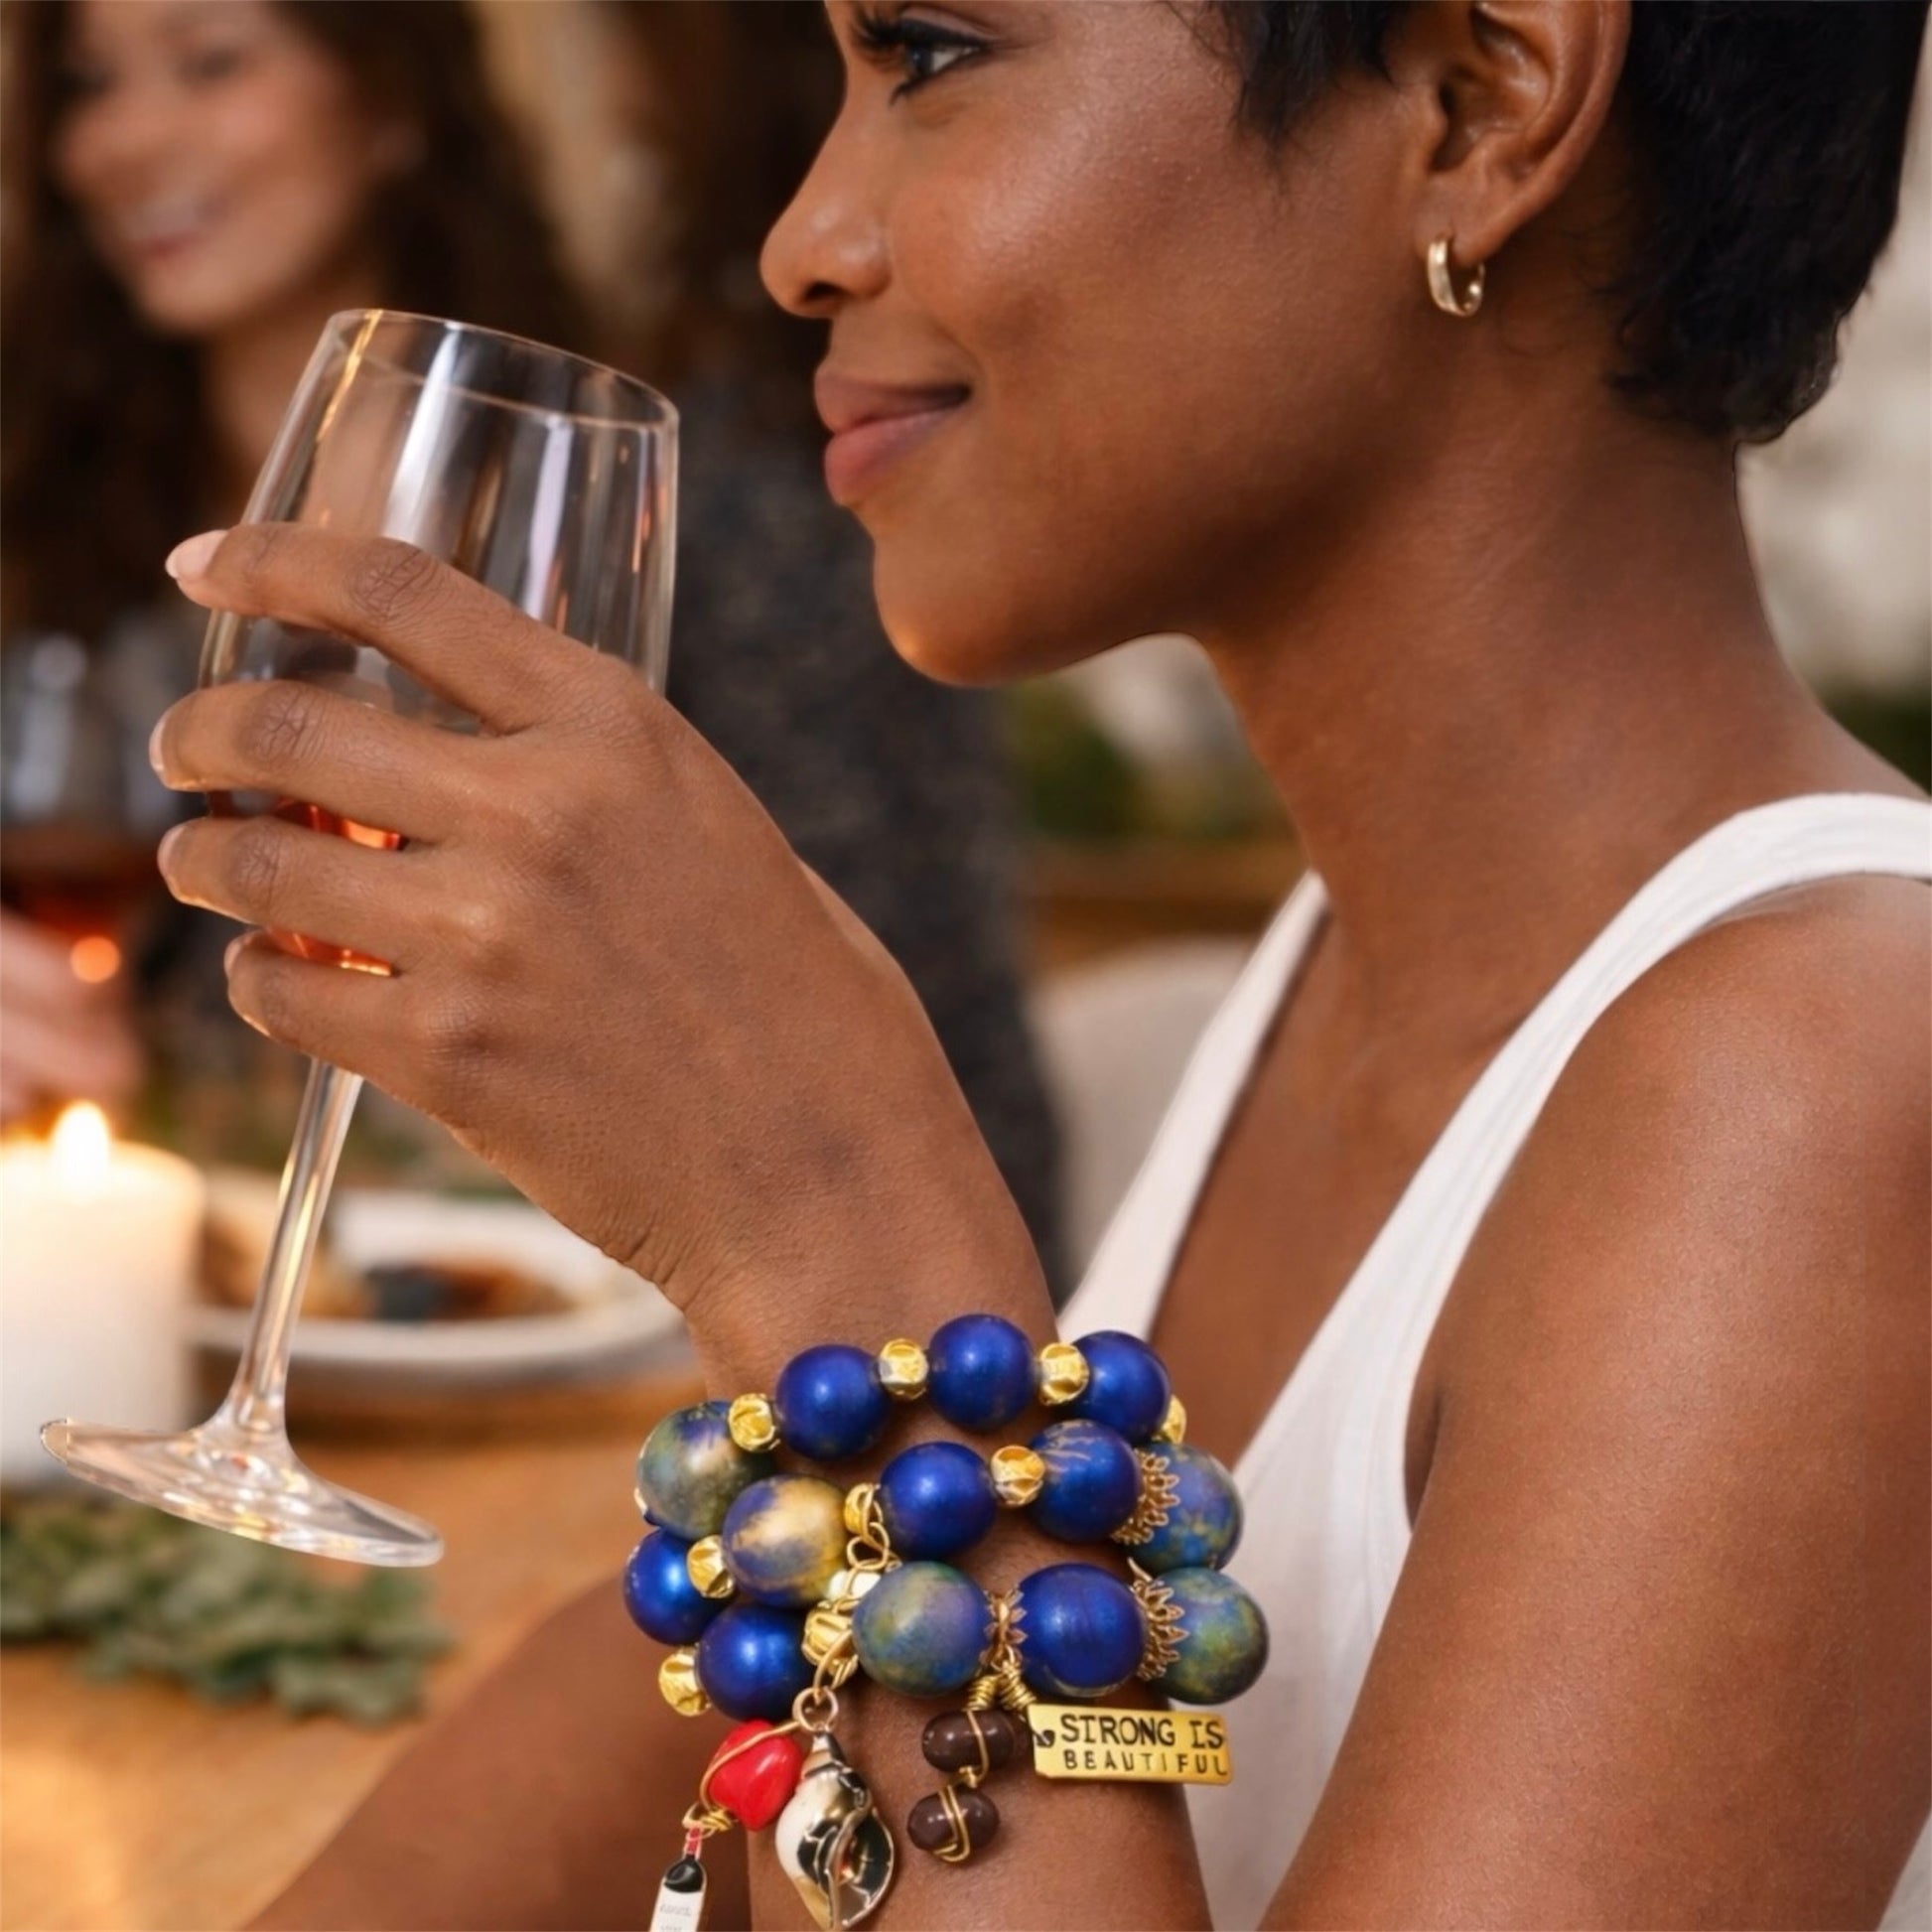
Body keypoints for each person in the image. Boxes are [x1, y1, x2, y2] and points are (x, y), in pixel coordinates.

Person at [145, 3, 1928, 1927]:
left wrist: (833, 1230)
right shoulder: (1367, 966)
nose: (803, 239)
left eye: (930, 51)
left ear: (1475, 98)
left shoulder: (1817, 1081)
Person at [3, 0, 1059, 1271]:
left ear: (390, 100)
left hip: (641, 1364)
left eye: (210, 62)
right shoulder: (49, 514)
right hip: (166, 1307)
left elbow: (935, 1071)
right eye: (86, 84)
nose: (121, 139)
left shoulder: (702, 509)